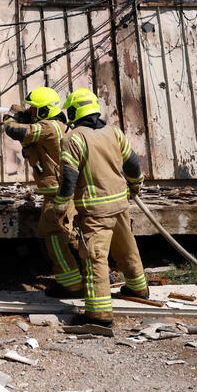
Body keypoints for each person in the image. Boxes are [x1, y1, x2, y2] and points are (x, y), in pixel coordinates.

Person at [52, 88, 149, 327]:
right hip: (119, 205)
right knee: (127, 247)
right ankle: (138, 289)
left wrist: (60, 204)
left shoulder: (74, 138)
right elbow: (133, 162)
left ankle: (99, 315)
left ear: (73, 111)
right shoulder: (113, 132)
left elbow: (69, 176)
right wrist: (135, 185)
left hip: (95, 213)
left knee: (95, 258)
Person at [2, 86, 82, 296]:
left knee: (53, 235)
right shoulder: (56, 123)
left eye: (35, 109)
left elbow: (16, 131)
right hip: (66, 190)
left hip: (57, 193)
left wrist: (10, 118)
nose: (31, 111)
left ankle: (71, 284)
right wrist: (26, 114)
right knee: (73, 233)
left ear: (45, 111)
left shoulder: (48, 128)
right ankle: (95, 273)